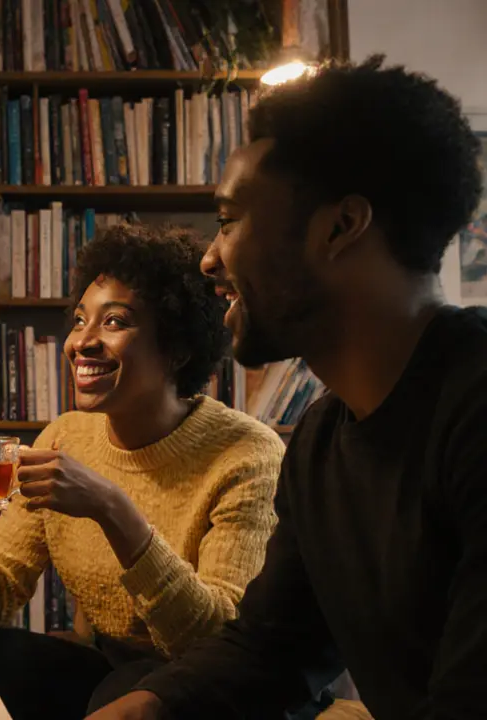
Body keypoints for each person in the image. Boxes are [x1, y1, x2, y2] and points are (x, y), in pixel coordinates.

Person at [90, 56, 487, 720]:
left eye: (229, 219)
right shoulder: (324, 443)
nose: (209, 259)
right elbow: (273, 649)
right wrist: (147, 705)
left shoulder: (475, 415)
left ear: (339, 227)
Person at [0, 224, 286, 719]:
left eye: (114, 322)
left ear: (177, 348)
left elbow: (218, 641)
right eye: (79, 321)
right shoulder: (65, 438)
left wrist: (112, 508)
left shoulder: (247, 454)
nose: (81, 343)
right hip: (110, 669)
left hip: (215, 688)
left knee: (125, 689)